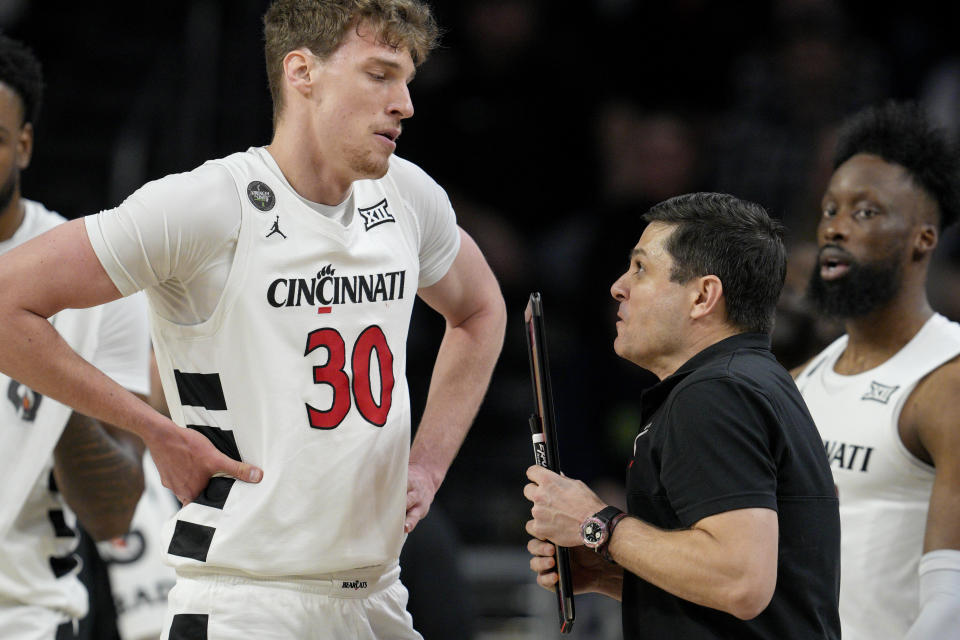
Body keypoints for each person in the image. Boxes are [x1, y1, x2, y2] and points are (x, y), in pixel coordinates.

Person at [0, 0, 507, 637]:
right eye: (380, 76)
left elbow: (482, 310)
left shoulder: (408, 196)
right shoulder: (208, 205)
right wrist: (155, 429)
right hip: (249, 603)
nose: (405, 102)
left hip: (377, 595)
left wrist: (429, 463)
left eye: (408, 80)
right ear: (302, 73)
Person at [525, 192, 840, 639]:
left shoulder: (716, 393)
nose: (618, 286)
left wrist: (596, 523)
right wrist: (611, 575)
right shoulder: (751, 380)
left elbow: (741, 581)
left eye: (641, 268)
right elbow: (755, 601)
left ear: (703, 296)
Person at [0, 35, 152, 639]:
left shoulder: (92, 283)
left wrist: (44, 366)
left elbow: (115, 511)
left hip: (25, 619)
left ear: (25, 145)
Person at [793, 101, 960, 639]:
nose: (836, 229)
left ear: (923, 238)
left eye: (865, 212)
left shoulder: (947, 380)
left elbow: (951, 604)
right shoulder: (796, 385)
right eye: (829, 210)